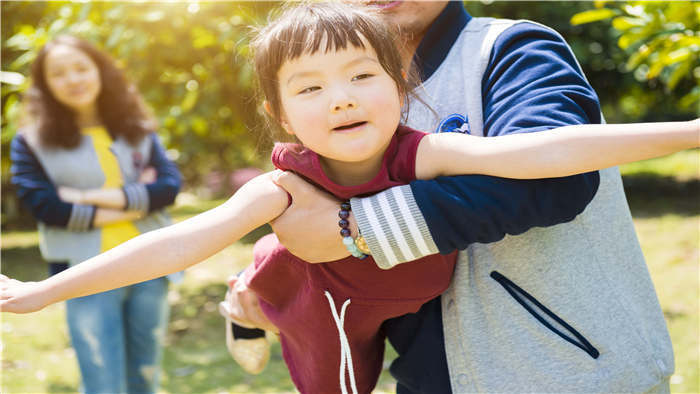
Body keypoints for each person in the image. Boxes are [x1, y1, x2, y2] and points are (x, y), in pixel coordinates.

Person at [1, 3, 696, 393]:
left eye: (361, 76)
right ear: (278, 109)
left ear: (399, 86)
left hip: (563, 371)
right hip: (398, 350)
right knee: (303, 326)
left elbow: (550, 163)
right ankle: (248, 307)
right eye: (310, 87)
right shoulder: (293, 171)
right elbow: (182, 239)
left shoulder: (503, 55)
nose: (339, 97)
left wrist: (689, 133)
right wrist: (41, 292)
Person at [224, 1, 686, 393]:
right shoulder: (337, 97)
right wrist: (276, 286)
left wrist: (358, 230)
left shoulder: (510, 48)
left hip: (574, 371)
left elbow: (557, 179)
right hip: (432, 377)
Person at [9, 34, 182, 394]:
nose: (73, 79)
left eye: (81, 68)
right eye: (59, 73)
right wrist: (136, 199)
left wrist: (82, 197)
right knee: (103, 383)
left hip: (151, 263)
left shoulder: (136, 129)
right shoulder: (30, 141)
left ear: (99, 71)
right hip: (82, 273)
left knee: (145, 377)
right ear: (44, 85)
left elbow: (167, 187)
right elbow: (47, 208)